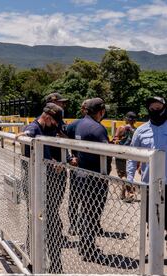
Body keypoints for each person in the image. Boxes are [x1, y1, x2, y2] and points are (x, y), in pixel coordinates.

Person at [15, 103, 66, 273]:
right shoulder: (34, 128)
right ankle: (40, 260)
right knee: (43, 221)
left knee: (43, 221)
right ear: (48, 117)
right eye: (54, 122)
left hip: (47, 184)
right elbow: (27, 135)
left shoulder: (49, 128)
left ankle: (37, 259)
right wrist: (23, 135)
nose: (55, 126)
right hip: (36, 185)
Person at [74, 97, 111, 262]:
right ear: (101, 111)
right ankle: (88, 249)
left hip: (81, 176)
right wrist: (106, 174)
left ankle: (84, 245)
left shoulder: (78, 124)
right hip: (96, 177)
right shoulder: (98, 128)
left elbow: (64, 134)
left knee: (85, 212)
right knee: (93, 214)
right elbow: (107, 153)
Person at [127, 96, 167, 231]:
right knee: (152, 223)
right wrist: (130, 178)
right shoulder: (140, 131)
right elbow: (132, 156)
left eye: (158, 108)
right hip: (148, 185)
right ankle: (153, 251)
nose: (155, 111)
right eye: (152, 108)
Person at [66, 99, 89, 236]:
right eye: (86, 108)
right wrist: (70, 158)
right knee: (75, 197)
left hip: (93, 168)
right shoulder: (74, 125)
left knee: (90, 198)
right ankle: (74, 224)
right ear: (82, 110)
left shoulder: (97, 125)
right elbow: (63, 140)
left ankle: (91, 224)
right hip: (78, 165)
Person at [113, 111, 137, 201]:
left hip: (121, 153)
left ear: (126, 118)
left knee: (122, 174)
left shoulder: (121, 128)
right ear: (135, 120)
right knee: (127, 174)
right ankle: (123, 193)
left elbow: (115, 139)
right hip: (132, 154)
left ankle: (130, 192)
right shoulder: (136, 130)